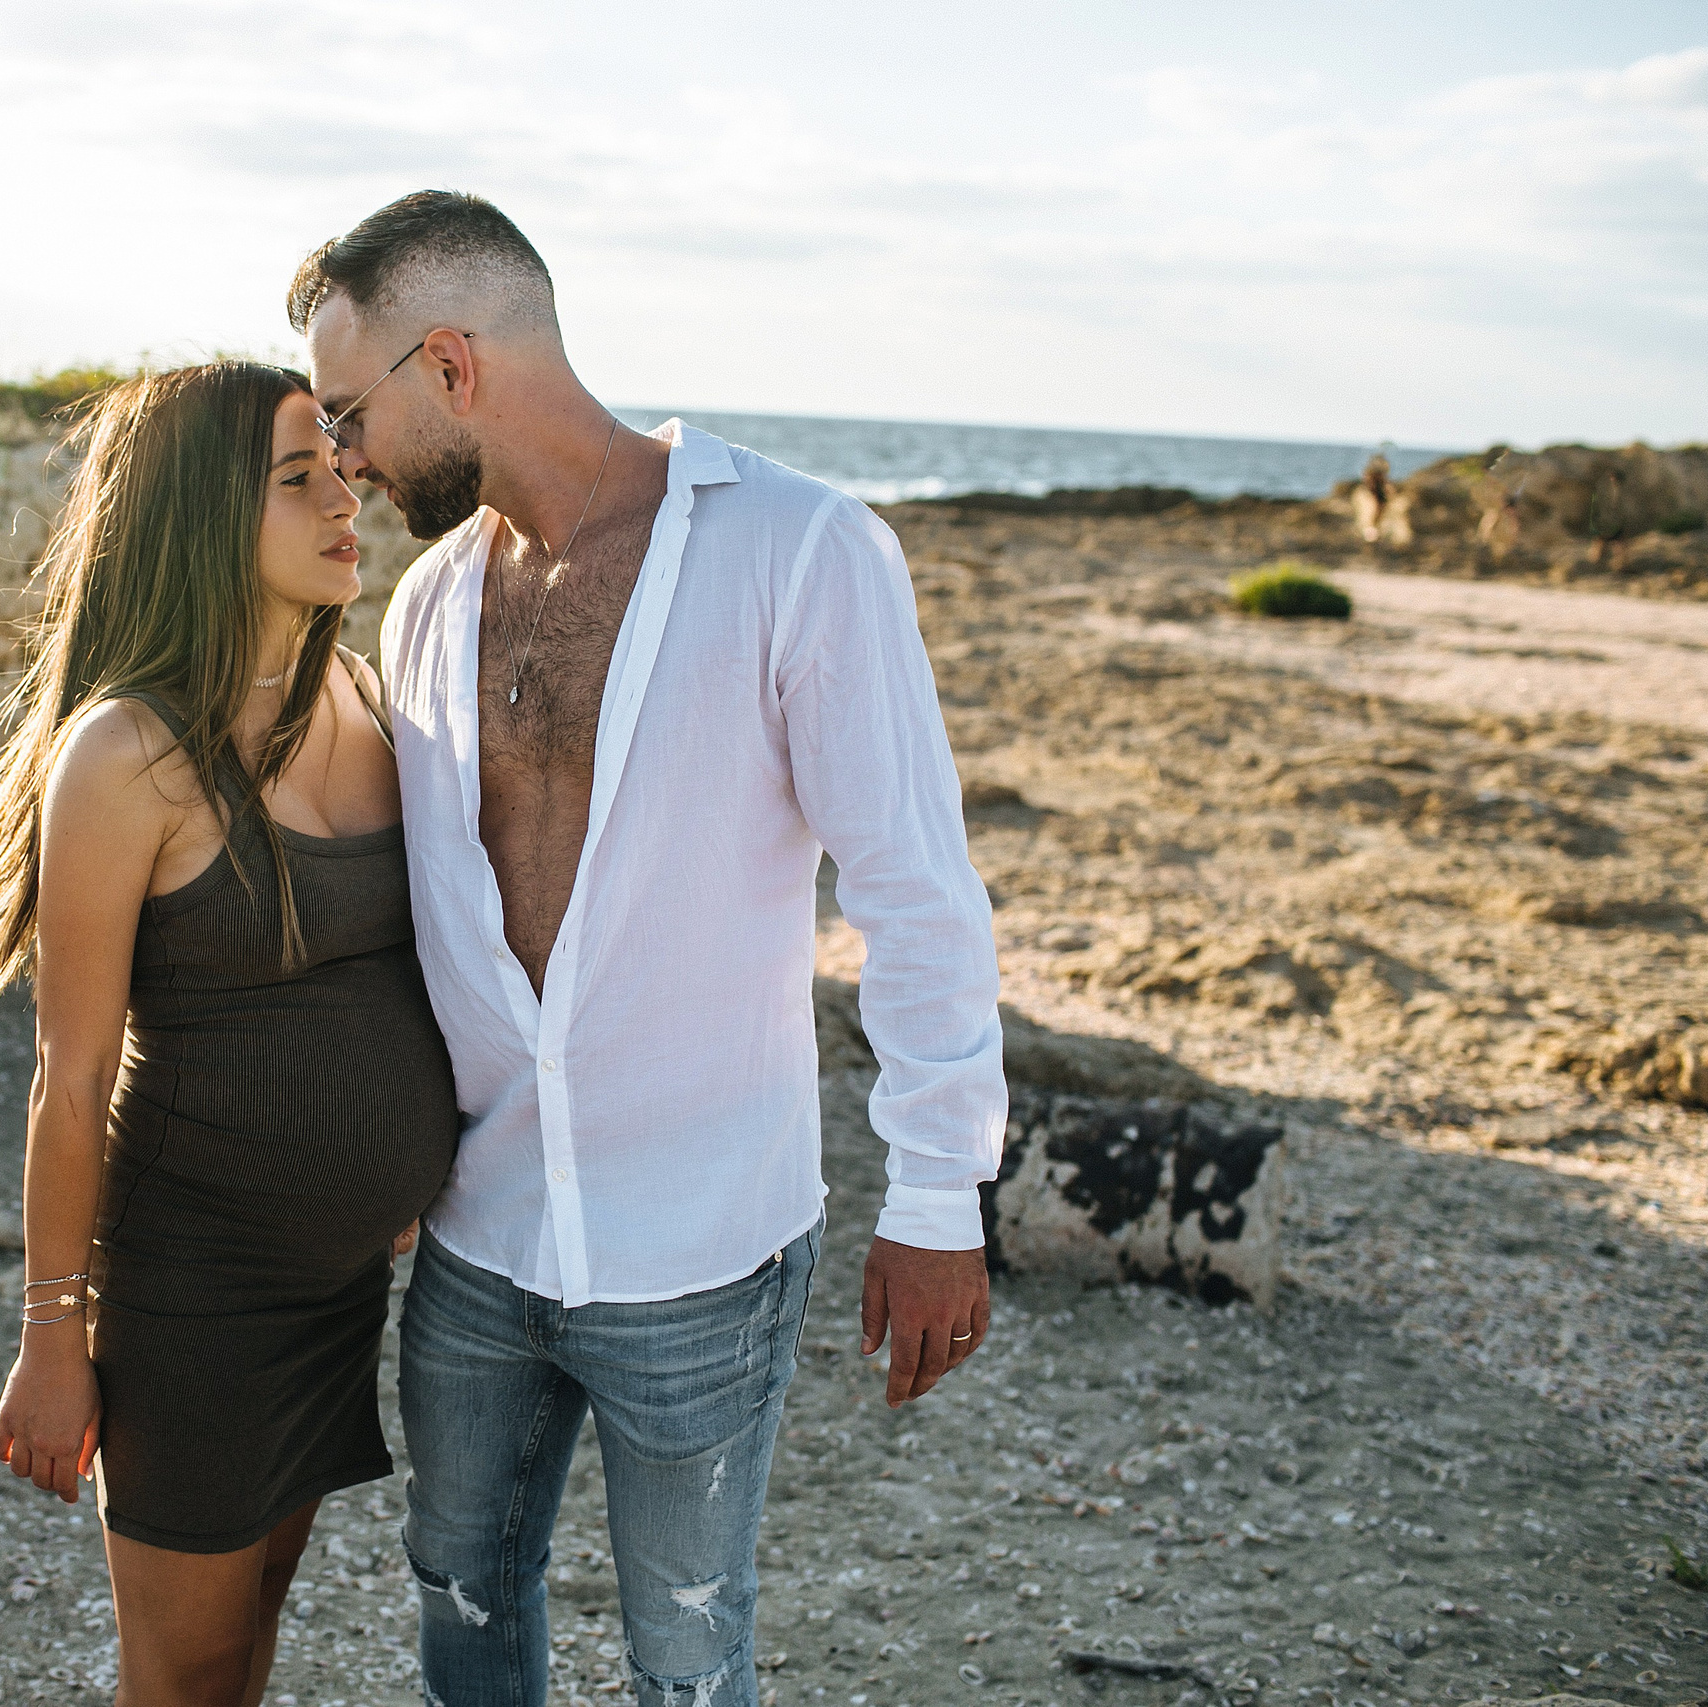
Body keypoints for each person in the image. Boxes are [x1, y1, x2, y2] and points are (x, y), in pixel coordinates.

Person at [290, 193, 1005, 1707]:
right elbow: (423, 911)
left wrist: (941, 1193)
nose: (342, 453)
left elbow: (917, 888)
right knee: (462, 1594)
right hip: (480, 1228)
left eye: (351, 412)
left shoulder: (801, 552)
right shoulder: (424, 604)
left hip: (699, 1238)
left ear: (452, 367)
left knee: (689, 1646)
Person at [0, 362, 461, 1706]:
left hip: (336, 1286)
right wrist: (50, 1338)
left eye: (339, 462)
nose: (347, 498)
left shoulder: (367, 701)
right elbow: (72, 1074)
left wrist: (406, 1170)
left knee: (256, 1628)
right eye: (297, 477)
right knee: (188, 1672)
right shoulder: (126, 756)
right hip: (195, 1292)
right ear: (204, 517)